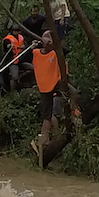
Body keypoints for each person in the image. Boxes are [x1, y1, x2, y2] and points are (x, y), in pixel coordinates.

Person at [30, 31, 67, 160]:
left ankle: (46, 138)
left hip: (56, 86)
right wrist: (34, 46)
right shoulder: (36, 53)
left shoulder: (56, 54)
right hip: (44, 88)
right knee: (48, 114)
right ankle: (50, 138)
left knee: (51, 114)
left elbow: (63, 57)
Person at [2, 25, 26, 91]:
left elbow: (24, 45)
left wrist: (22, 47)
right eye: (15, 31)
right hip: (12, 60)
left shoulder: (21, 37)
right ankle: (13, 92)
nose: (17, 32)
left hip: (21, 59)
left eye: (18, 31)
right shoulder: (8, 39)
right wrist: (10, 46)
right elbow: (7, 47)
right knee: (14, 76)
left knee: (31, 68)